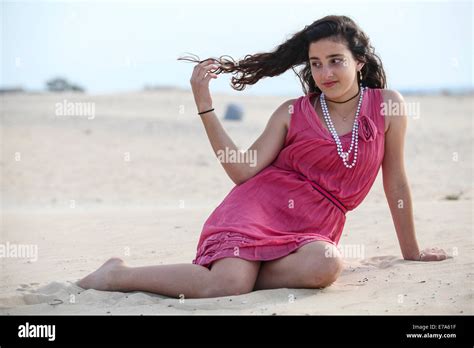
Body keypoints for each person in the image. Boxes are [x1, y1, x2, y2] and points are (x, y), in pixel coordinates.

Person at [77, 15, 447, 299]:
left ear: (360, 62)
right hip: (258, 208)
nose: (325, 72)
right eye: (315, 64)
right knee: (227, 286)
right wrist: (205, 106)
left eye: (335, 60)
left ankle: (244, 272)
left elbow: (395, 177)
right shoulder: (292, 112)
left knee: (326, 265)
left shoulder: (388, 107)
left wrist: (411, 251)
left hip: (315, 225)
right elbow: (242, 170)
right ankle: (116, 274)